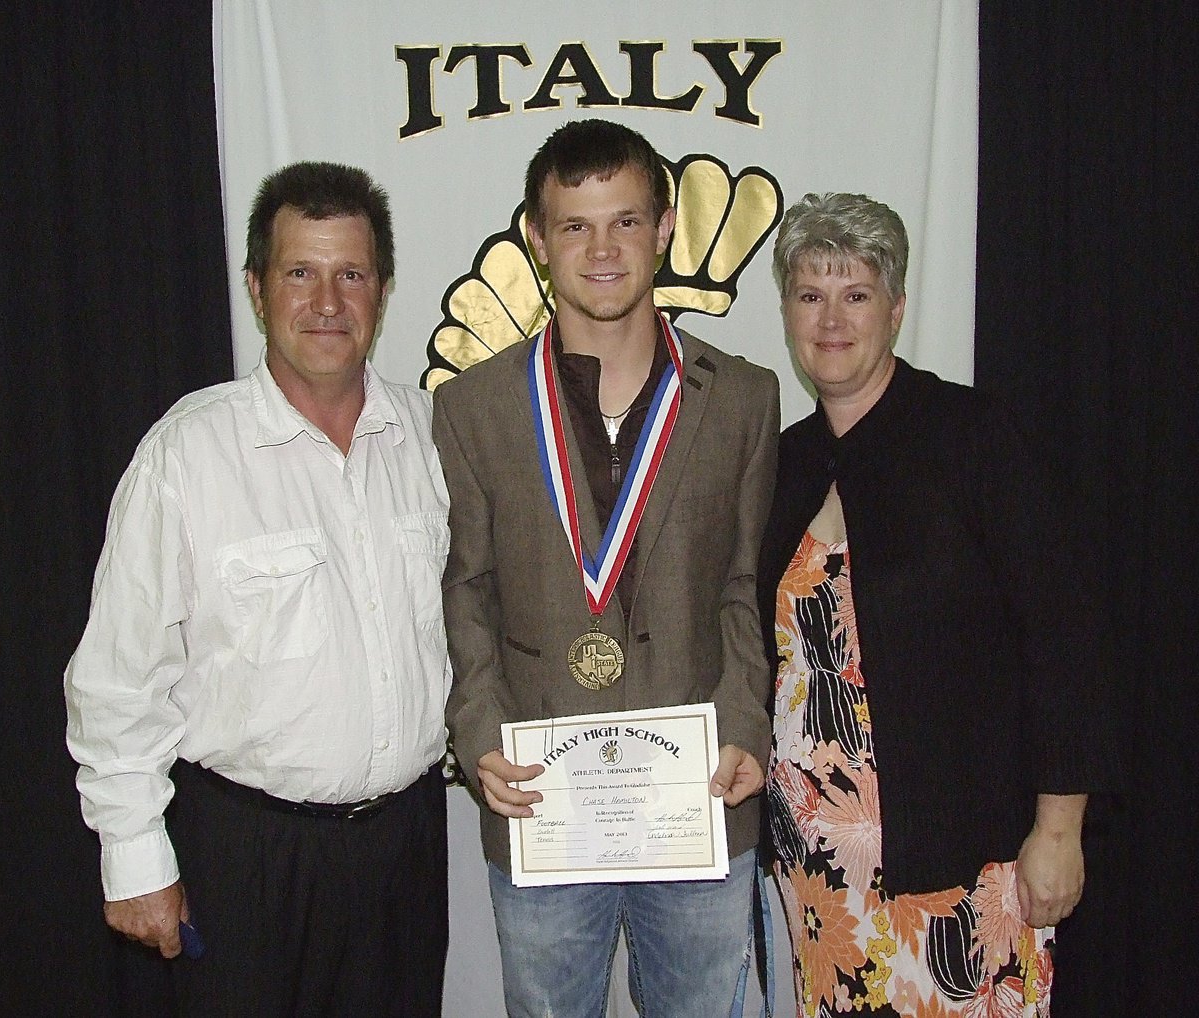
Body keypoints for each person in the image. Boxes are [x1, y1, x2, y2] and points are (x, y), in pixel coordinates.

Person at [64, 161, 450, 1016]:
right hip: (249, 862)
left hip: (407, 854)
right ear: (255, 287)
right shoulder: (187, 454)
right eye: (299, 273)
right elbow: (118, 678)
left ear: (382, 291)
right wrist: (133, 857)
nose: (326, 302)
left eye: (350, 274)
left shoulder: (427, 437)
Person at [433, 119, 780, 1018]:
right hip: (541, 797)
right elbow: (464, 590)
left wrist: (746, 720)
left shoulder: (744, 398)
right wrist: (479, 732)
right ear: (537, 238)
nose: (601, 248)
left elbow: (746, 584)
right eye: (575, 225)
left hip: (700, 794)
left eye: (625, 221)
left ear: (665, 228)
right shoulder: (472, 409)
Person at [759, 193, 1109, 1016]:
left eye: (857, 294)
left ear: (898, 309)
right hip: (818, 871)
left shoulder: (974, 435)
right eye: (811, 295)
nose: (832, 319)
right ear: (787, 313)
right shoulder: (784, 464)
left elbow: (1065, 636)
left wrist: (1060, 828)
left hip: (961, 866)